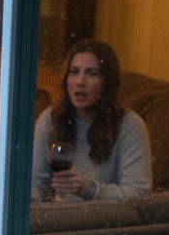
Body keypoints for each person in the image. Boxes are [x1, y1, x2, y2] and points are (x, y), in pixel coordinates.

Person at [31, 38, 152, 202]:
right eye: (74, 72)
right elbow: (34, 184)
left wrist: (86, 188)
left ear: (106, 83)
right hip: (58, 220)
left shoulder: (129, 125)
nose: (80, 82)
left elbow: (139, 194)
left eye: (92, 74)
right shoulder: (49, 119)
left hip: (103, 223)